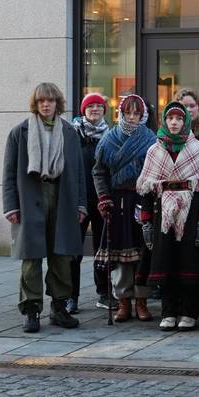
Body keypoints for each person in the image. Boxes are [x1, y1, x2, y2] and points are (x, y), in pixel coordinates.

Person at [2, 82, 86, 333]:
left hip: (62, 196)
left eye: (50, 100)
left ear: (57, 103)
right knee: (31, 258)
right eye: (41, 101)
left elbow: (79, 173)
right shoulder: (20, 132)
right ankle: (31, 311)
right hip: (31, 197)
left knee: (61, 256)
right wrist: (10, 206)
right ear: (36, 104)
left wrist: (81, 204)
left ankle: (59, 308)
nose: (46, 105)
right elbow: (8, 173)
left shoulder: (70, 133)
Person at [137, 102, 199, 331]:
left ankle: (189, 311)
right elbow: (146, 188)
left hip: (191, 213)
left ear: (186, 122)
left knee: (189, 262)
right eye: (170, 118)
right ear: (164, 120)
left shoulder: (197, 149)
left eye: (179, 119)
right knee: (166, 261)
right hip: (163, 216)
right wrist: (146, 222)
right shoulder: (154, 150)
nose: (174, 122)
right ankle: (168, 311)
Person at [93, 94, 156, 322]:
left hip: (142, 199)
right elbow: (99, 172)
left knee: (143, 253)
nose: (131, 117)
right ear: (120, 113)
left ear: (143, 115)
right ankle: (123, 301)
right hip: (117, 202)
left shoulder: (151, 140)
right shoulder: (108, 140)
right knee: (120, 255)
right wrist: (103, 197)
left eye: (136, 113)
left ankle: (141, 301)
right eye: (127, 112)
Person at [69, 93, 109, 313]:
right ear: (83, 110)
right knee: (73, 251)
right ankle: (71, 296)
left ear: (104, 110)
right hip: (78, 200)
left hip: (102, 199)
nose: (95, 109)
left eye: (99, 106)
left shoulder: (110, 135)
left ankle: (104, 293)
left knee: (103, 249)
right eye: (90, 106)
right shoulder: (73, 133)